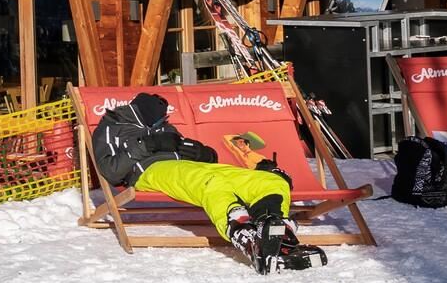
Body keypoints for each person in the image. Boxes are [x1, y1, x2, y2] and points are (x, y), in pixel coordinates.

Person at [92, 91, 318, 273]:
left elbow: (203, 156)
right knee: (211, 182)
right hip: (152, 170)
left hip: (191, 167)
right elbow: (111, 171)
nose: (166, 122)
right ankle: (244, 233)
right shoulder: (112, 127)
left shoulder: (163, 127)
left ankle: (276, 230)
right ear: (144, 115)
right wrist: (147, 144)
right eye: (162, 119)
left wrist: (202, 152)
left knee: (269, 180)